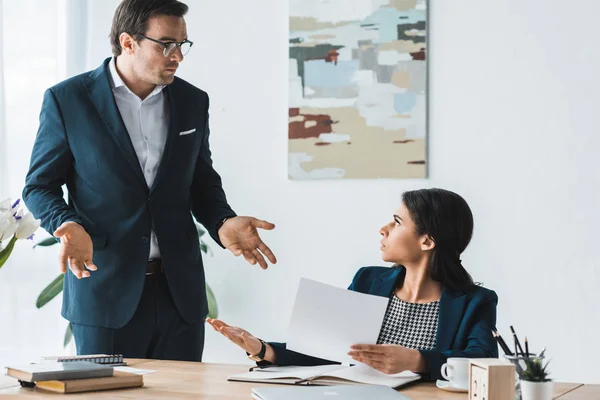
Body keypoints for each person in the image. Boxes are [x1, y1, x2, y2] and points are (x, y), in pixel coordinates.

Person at [22, 0, 276, 361]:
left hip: (180, 297)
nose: (178, 56)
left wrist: (222, 221)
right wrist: (66, 223)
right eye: (166, 45)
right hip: (105, 294)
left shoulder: (192, 101)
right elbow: (38, 185)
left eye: (182, 45)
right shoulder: (69, 100)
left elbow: (201, 180)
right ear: (128, 42)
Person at [208, 188, 498, 381]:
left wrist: (416, 360)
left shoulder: (476, 301)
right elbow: (329, 351)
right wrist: (262, 348)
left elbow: (483, 362)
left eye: (397, 222)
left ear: (427, 240)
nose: (383, 229)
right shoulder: (368, 280)